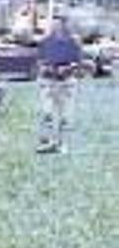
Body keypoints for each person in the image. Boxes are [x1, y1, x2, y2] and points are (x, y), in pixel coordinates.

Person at [36, 15, 83, 153]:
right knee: (46, 112)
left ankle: (62, 143)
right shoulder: (45, 42)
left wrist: (68, 68)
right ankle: (48, 142)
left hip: (67, 82)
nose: (56, 27)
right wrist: (46, 68)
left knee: (65, 116)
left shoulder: (73, 42)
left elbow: (78, 62)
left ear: (65, 26)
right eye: (53, 24)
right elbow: (40, 61)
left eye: (59, 24)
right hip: (48, 81)